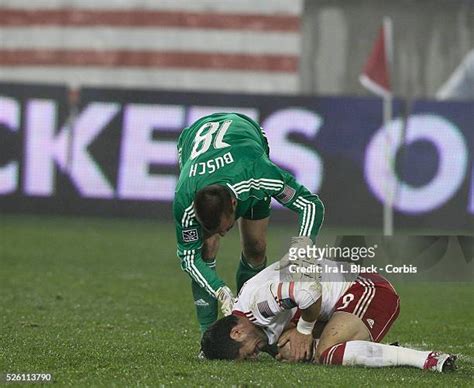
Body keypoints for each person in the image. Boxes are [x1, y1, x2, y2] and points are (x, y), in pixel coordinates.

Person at [173, 112, 324, 336]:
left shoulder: (259, 173)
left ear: (234, 204)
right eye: (213, 229)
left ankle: (249, 318)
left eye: (225, 227)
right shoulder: (184, 197)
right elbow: (188, 258)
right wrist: (220, 289)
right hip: (193, 139)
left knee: (256, 247)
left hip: (245, 137)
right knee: (205, 249)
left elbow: (310, 205)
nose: (223, 234)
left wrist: (301, 252)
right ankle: (209, 335)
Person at [200, 258, 457, 373]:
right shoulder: (247, 321)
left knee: (326, 353)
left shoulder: (259, 305)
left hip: (366, 289)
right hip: (337, 302)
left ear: (237, 332)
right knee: (291, 350)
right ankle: (373, 351)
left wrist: (302, 331)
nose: (255, 357)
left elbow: (309, 290)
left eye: (249, 354)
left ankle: (428, 360)